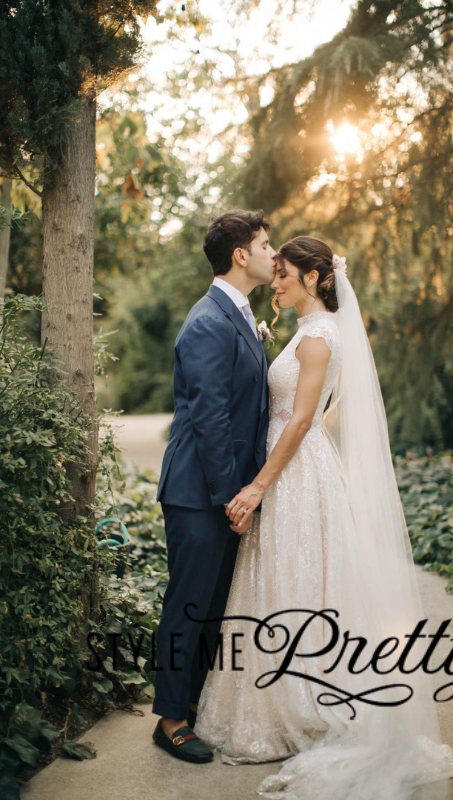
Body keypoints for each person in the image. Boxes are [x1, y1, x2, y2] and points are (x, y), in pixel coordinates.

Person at [194, 236, 453, 797]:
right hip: (298, 464)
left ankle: (305, 702)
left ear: (316, 279)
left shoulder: (319, 335)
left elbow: (301, 421)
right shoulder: (310, 331)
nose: (275, 284)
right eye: (274, 274)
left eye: (284, 276)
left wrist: (256, 485)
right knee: (285, 577)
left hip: (293, 469)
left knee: (298, 580)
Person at [151, 209, 276, 764]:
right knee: (189, 605)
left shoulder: (241, 315)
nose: (274, 254)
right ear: (241, 255)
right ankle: (171, 719)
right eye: (266, 245)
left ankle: (192, 705)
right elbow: (211, 420)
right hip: (198, 492)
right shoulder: (207, 321)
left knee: (211, 608)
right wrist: (234, 495)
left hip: (223, 491)